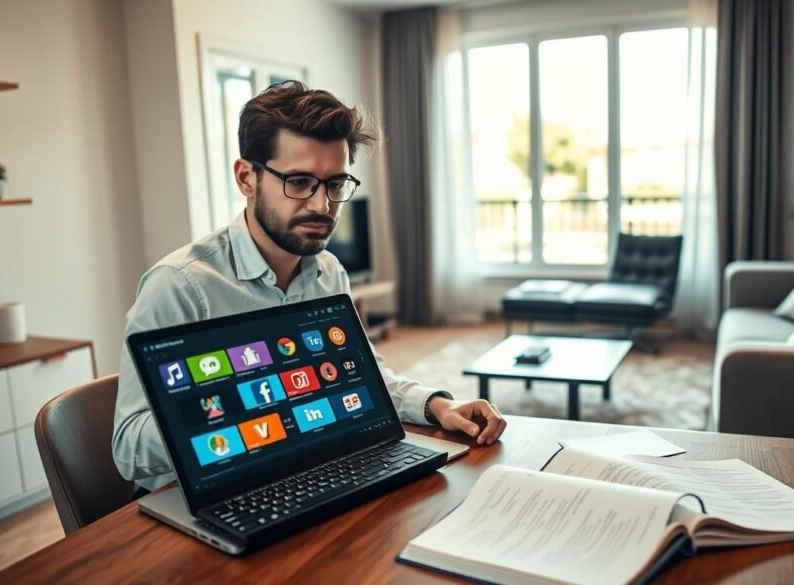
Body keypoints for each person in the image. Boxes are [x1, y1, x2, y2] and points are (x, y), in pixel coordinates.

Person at [113, 81, 506, 492]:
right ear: (247, 178)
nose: (322, 206)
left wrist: (437, 405)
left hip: (305, 472)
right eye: (299, 182)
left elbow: (364, 376)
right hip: (207, 495)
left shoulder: (329, 271)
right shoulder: (180, 286)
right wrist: (246, 420)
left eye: (335, 184)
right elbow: (128, 447)